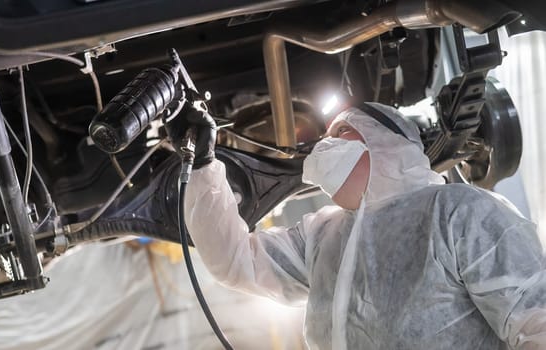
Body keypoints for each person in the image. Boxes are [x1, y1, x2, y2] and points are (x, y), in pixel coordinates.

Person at [166, 102, 546, 350]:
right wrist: (202, 165)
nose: (325, 148)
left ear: (388, 144)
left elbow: (536, 321)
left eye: (342, 133)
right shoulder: (323, 237)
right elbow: (236, 261)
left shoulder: (460, 213)